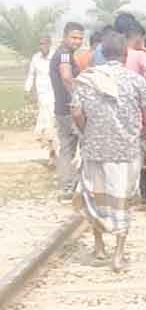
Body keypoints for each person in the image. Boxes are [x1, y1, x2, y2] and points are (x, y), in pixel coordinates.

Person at [70, 33, 146, 272]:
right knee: (121, 199)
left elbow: (76, 114)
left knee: (96, 195)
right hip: (125, 151)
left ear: (101, 53)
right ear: (125, 54)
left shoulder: (86, 80)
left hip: (94, 150)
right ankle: (118, 255)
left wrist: (87, 132)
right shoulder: (136, 81)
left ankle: (99, 246)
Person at [50, 22, 84, 200]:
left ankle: (66, 188)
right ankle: (75, 186)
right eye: (74, 37)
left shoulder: (65, 53)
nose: (77, 41)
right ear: (65, 36)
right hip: (70, 109)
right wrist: (77, 98)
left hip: (60, 108)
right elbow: (66, 76)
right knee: (84, 145)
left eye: (80, 38)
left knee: (66, 149)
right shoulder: (64, 55)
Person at [24, 36, 57, 164]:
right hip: (42, 98)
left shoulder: (55, 57)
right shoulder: (35, 58)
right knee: (44, 128)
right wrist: (27, 90)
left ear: (49, 44)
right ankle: (51, 153)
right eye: (40, 44)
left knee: (52, 126)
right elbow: (31, 75)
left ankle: (52, 155)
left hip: (54, 97)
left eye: (45, 43)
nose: (42, 46)